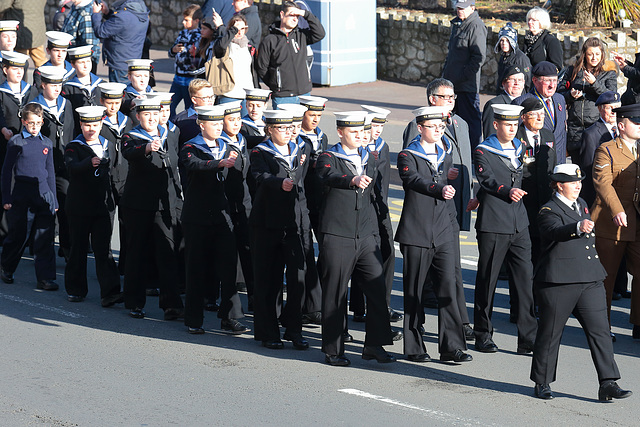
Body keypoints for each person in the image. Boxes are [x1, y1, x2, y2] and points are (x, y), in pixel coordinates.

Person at [531, 163, 632, 402]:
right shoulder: (548, 209)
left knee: (601, 332)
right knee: (550, 333)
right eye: (572, 182)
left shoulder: (582, 203)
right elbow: (555, 231)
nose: (578, 186)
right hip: (560, 281)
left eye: (579, 182)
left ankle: (608, 382)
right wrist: (577, 227)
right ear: (559, 185)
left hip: (589, 278)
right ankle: (542, 381)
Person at [316, 111, 395, 367]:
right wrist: (352, 179)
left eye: (362, 132)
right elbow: (327, 176)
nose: (359, 136)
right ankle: (333, 349)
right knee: (336, 293)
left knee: (376, 288)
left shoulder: (368, 157)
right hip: (338, 233)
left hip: (366, 234)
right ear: (340, 132)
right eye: (353, 132)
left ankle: (374, 344)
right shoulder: (328, 156)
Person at [397, 106, 472, 363]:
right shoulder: (408, 155)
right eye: (433, 127)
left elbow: (446, 179)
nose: (439, 131)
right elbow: (413, 181)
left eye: (441, 127)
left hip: (443, 229)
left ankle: (452, 346)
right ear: (420, 128)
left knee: (448, 287)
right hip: (417, 230)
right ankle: (415, 346)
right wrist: (439, 188)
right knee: (415, 290)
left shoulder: (445, 152)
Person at [473, 104, 537, 354]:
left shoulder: (520, 147)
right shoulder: (483, 150)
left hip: (519, 223)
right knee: (488, 279)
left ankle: (527, 338)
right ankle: (483, 333)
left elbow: (523, 176)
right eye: (507, 125)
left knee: (524, 282)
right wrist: (504, 191)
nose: (512, 129)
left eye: (515, 125)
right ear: (496, 125)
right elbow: (487, 179)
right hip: (494, 223)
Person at [180, 105, 247, 335]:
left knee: (228, 268)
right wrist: (218, 163)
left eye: (221, 124)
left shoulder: (228, 148)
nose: (219, 127)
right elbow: (194, 165)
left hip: (222, 214)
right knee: (196, 267)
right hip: (197, 215)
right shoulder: (191, 147)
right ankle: (193, 318)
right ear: (201, 124)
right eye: (214, 124)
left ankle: (229, 317)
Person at [119, 98, 184, 320]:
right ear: (138, 116)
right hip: (138, 204)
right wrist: (147, 147)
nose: (151, 119)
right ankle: (134, 302)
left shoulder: (169, 135)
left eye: (155, 114)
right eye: (146, 115)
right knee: (136, 252)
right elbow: (129, 152)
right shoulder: (131, 136)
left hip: (164, 204)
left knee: (167, 252)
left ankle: (171, 304)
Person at [249, 109, 308, 349]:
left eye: (289, 127)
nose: (287, 132)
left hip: (293, 222)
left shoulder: (299, 149)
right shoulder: (260, 152)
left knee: (298, 278)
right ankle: (268, 332)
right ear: (270, 130)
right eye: (281, 128)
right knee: (268, 279)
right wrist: (278, 183)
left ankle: (294, 328)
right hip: (267, 223)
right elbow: (259, 176)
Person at [64, 105, 122, 306]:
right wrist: (90, 162)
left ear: (101, 125)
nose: (91, 129)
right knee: (78, 248)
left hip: (102, 207)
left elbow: (117, 172)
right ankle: (76, 289)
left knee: (103, 249)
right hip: (79, 206)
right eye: (87, 124)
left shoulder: (109, 143)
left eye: (95, 125)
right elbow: (72, 167)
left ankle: (110, 292)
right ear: (81, 124)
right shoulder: (73, 146)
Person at [591, 103, 640, 339]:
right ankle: (602, 325)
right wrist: (617, 210)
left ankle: (639, 323)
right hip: (612, 221)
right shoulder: (607, 150)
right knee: (606, 277)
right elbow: (603, 183)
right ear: (621, 125)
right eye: (636, 121)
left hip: (637, 223)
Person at [0, 103, 58, 291]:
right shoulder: (16, 142)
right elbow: (7, 172)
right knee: (18, 235)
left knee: (44, 238)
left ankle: (45, 278)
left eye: (38, 123)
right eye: (30, 123)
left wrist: (54, 200)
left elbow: (50, 172)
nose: (34, 127)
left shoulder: (46, 143)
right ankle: (6, 267)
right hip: (22, 195)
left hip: (43, 195)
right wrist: (6, 197)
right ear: (24, 122)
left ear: (42, 122)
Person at [32, 66, 74, 262]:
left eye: (59, 84)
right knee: (44, 211)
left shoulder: (66, 104)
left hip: (62, 167)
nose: (57, 88)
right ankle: (38, 250)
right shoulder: (34, 108)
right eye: (53, 85)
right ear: (43, 85)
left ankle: (66, 248)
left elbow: (72, 133)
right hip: (41, 167)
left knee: (66, 209)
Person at [255, 1, 325, 109]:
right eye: (292, 15)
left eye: (297, 16)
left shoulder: (301, 35)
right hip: (283, 97)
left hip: (304, 94)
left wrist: (305, 14)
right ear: (282, 15)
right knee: (282, 126)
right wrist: (277, 85)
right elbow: (261, 68)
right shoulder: (270, 40)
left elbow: (320, 33)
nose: (295, 19)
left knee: (303, 126)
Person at [559, 37, 617, 160]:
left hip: (596, 126)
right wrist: (571, 94)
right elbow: (559, 93)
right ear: (584, 55)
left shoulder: (608, 73)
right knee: (577, 169)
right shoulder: (573, 70)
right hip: (575, 127)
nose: (594, 58)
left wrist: (594, 83)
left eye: (597, 54)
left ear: (602, 55)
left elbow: (612, 97)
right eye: (590, 54)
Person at [0, 51, 38, 242]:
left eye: (21, 69)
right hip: (5, 145)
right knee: (7, 184)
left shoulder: (30, 91)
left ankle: (25, 233)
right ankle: (5, 232)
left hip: (28, 146)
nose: (19, 73)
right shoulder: (1, 91)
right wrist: (2, 128)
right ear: (5, 70)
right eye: (14, 69)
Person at [515, 97, 556, 266]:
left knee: (542, 246)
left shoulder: (548, 135)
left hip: (544, 198)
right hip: (525, 198)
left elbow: (552, 165)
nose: (540, 118)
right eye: (534, 115)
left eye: (542, 115)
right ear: (523, 117)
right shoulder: (516, 136)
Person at [441, 0, 486, 151]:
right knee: (452, 121)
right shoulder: (458, 24)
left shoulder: (476, 26)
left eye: (463, 8)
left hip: (466, 86)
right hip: (452, 85)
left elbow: (478, 58)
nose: (459, 10)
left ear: (472, 8)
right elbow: (452, 55)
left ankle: (473, 154)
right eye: (458, 7)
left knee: (470, 122)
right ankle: (455, 151)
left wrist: (462, 77)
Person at [98, 82, 131, 274]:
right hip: (106, 179)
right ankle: (106, 267)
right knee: (105, 225)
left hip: (126, 178)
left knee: (127, 224)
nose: (113, 106)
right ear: (102, 101)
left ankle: (125, 265)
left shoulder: (129, 121)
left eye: (117, 102)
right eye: (109, 102)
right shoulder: (97, 122)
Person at [513, 61, 568, 164]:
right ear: (535, 80)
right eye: (547, 81)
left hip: (559, 162)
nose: (552, 85)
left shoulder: (560, 99)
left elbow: (561, 132)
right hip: (536, 164)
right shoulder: (521, 102)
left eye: (555, 81)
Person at [574, 91, 621, 207]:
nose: (614, 112)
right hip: (602, 195)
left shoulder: (624, 128)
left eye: (617, 108)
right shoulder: (591, 134)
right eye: (610, 108)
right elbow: (588, 167)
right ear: (600, 109)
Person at [91, 0, 150, 84]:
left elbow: (101, 32)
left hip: (119, 63)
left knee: (119, 95)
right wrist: (107, 13)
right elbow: (122, 26)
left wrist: (96, 14)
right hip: (132, 60)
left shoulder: (122, 16)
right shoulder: (140, 11)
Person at [212, 14, 256, 112]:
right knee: (227, 125)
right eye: (237, 28)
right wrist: (231, 30)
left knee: (245, 125)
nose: (240, 31)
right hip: (229, 94)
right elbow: (220, 47)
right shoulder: (227, 45)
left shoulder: (247, 46)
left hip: (246, 95)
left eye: (243, 28)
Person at [168, 4, 202, 119]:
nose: (183, 22)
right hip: (177, 78)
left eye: (187, 20)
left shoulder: (200, 36)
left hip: (190, 79)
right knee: (169, 107)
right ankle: (172, 128)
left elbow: (198, 58)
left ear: (196, 21)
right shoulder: (182, 33)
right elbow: (171, 52)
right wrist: (174, 50)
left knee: (189, 110)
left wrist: (190, 53)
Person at [63, 45, 103, 138]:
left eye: (88, 61)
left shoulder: (101, 85)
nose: (85, 65)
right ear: (72, 65)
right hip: (78, 132)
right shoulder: (67, 88)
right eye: (81, 62)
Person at [0, 0, 48, 67]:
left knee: (18, 65)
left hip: (21, 33)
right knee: (41, 63)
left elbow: (2, 6)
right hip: (37, 30)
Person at [482, 65, 525, 139]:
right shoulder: (494, 104)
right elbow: (490, 136)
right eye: (512, 80)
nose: (516, 83)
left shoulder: (527, 102)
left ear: (524, 83)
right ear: (504, 83)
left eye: (520, 80)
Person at [61, 0, 102, 74]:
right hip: (72, 59)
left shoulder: (86, 12)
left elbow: (89, 44)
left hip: (81, 62)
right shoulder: (75, 7)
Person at [174, 78, 215, 147]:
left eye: (212, 96)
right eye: (205, 98)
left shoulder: (218, 116)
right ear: (194, 100)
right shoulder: (180, 120)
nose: (210, 100)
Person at [494, 22, 531, 95]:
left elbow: (528, 81)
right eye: (502, 40)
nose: (504, 43)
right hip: (503, 95)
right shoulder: (503, 57)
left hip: (517, 97)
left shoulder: (521, 58)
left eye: (508, 40)